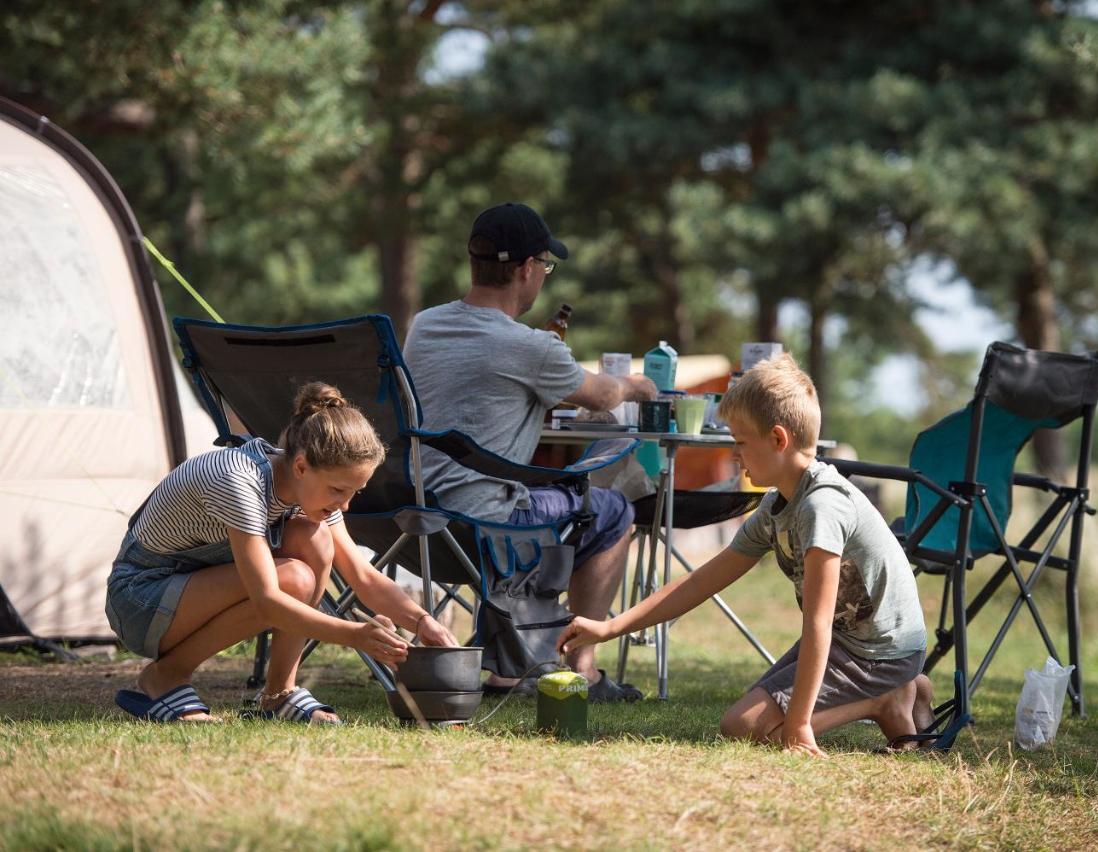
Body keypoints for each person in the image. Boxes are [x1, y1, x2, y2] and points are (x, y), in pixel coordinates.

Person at [557, 354, 935, 755]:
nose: (735, 455)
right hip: (850, 642)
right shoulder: (777, 506)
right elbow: (702, 581)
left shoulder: (821, 507)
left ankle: (887, 699)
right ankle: (908, 691)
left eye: (740, 442)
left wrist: (801, 725)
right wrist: (608, 629)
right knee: (745, 723)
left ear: (777, 439)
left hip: (879, 653)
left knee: (744, 727)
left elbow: (819, 623)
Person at [403, 202, 657, 701]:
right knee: (614, 510)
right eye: (545, 265)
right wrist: (638, 385)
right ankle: (581, 670)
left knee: (562, 499)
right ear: (525, 269)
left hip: (414, 524)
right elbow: (603, 395)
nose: (544, 275)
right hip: (487, 526)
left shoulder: (425, 325)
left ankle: (512, 662)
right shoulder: (531, 347)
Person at [106, 382, 458, 724]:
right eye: (338, 490)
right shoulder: (238, 480)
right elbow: (267, 600)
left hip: (191, 591)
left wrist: (422, 621)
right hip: (140, 600)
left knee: (314, 539)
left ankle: (279, 694)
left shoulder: (312, 490)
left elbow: (363, 577)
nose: (345, 505)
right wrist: (354, 635)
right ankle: (165, 677)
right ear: (301, 466)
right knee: (293, 578)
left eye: (354, 492)